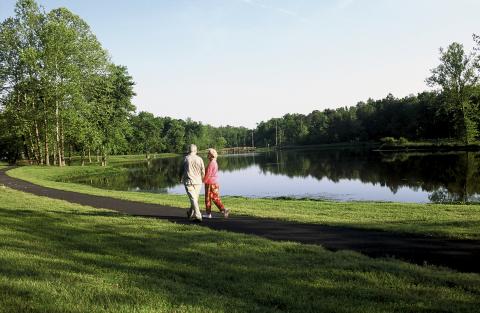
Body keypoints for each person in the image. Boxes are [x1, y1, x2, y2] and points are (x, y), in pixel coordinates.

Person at [202, 148, 229, 218]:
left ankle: (208, 214)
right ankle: (223, 209)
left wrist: (203, 181)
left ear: (211, 155)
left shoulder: (211, 163)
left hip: (210, 183)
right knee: (215, 197)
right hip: (215, 183)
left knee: (208, 198)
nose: (207, 155)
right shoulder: (215, 162)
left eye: (208, 154)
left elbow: (208, 174)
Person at [182, 144, 205, 222]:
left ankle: (198, 216)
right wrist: (202, 178)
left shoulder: (186, 159)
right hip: (198, 182)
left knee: (193, 199)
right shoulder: (200, 159)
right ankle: (190, 212)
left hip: (189, 181)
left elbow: (181, 170)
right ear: (196, 150)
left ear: (189, 150)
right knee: (194, 199)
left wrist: (180, 177)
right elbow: (203, 171)